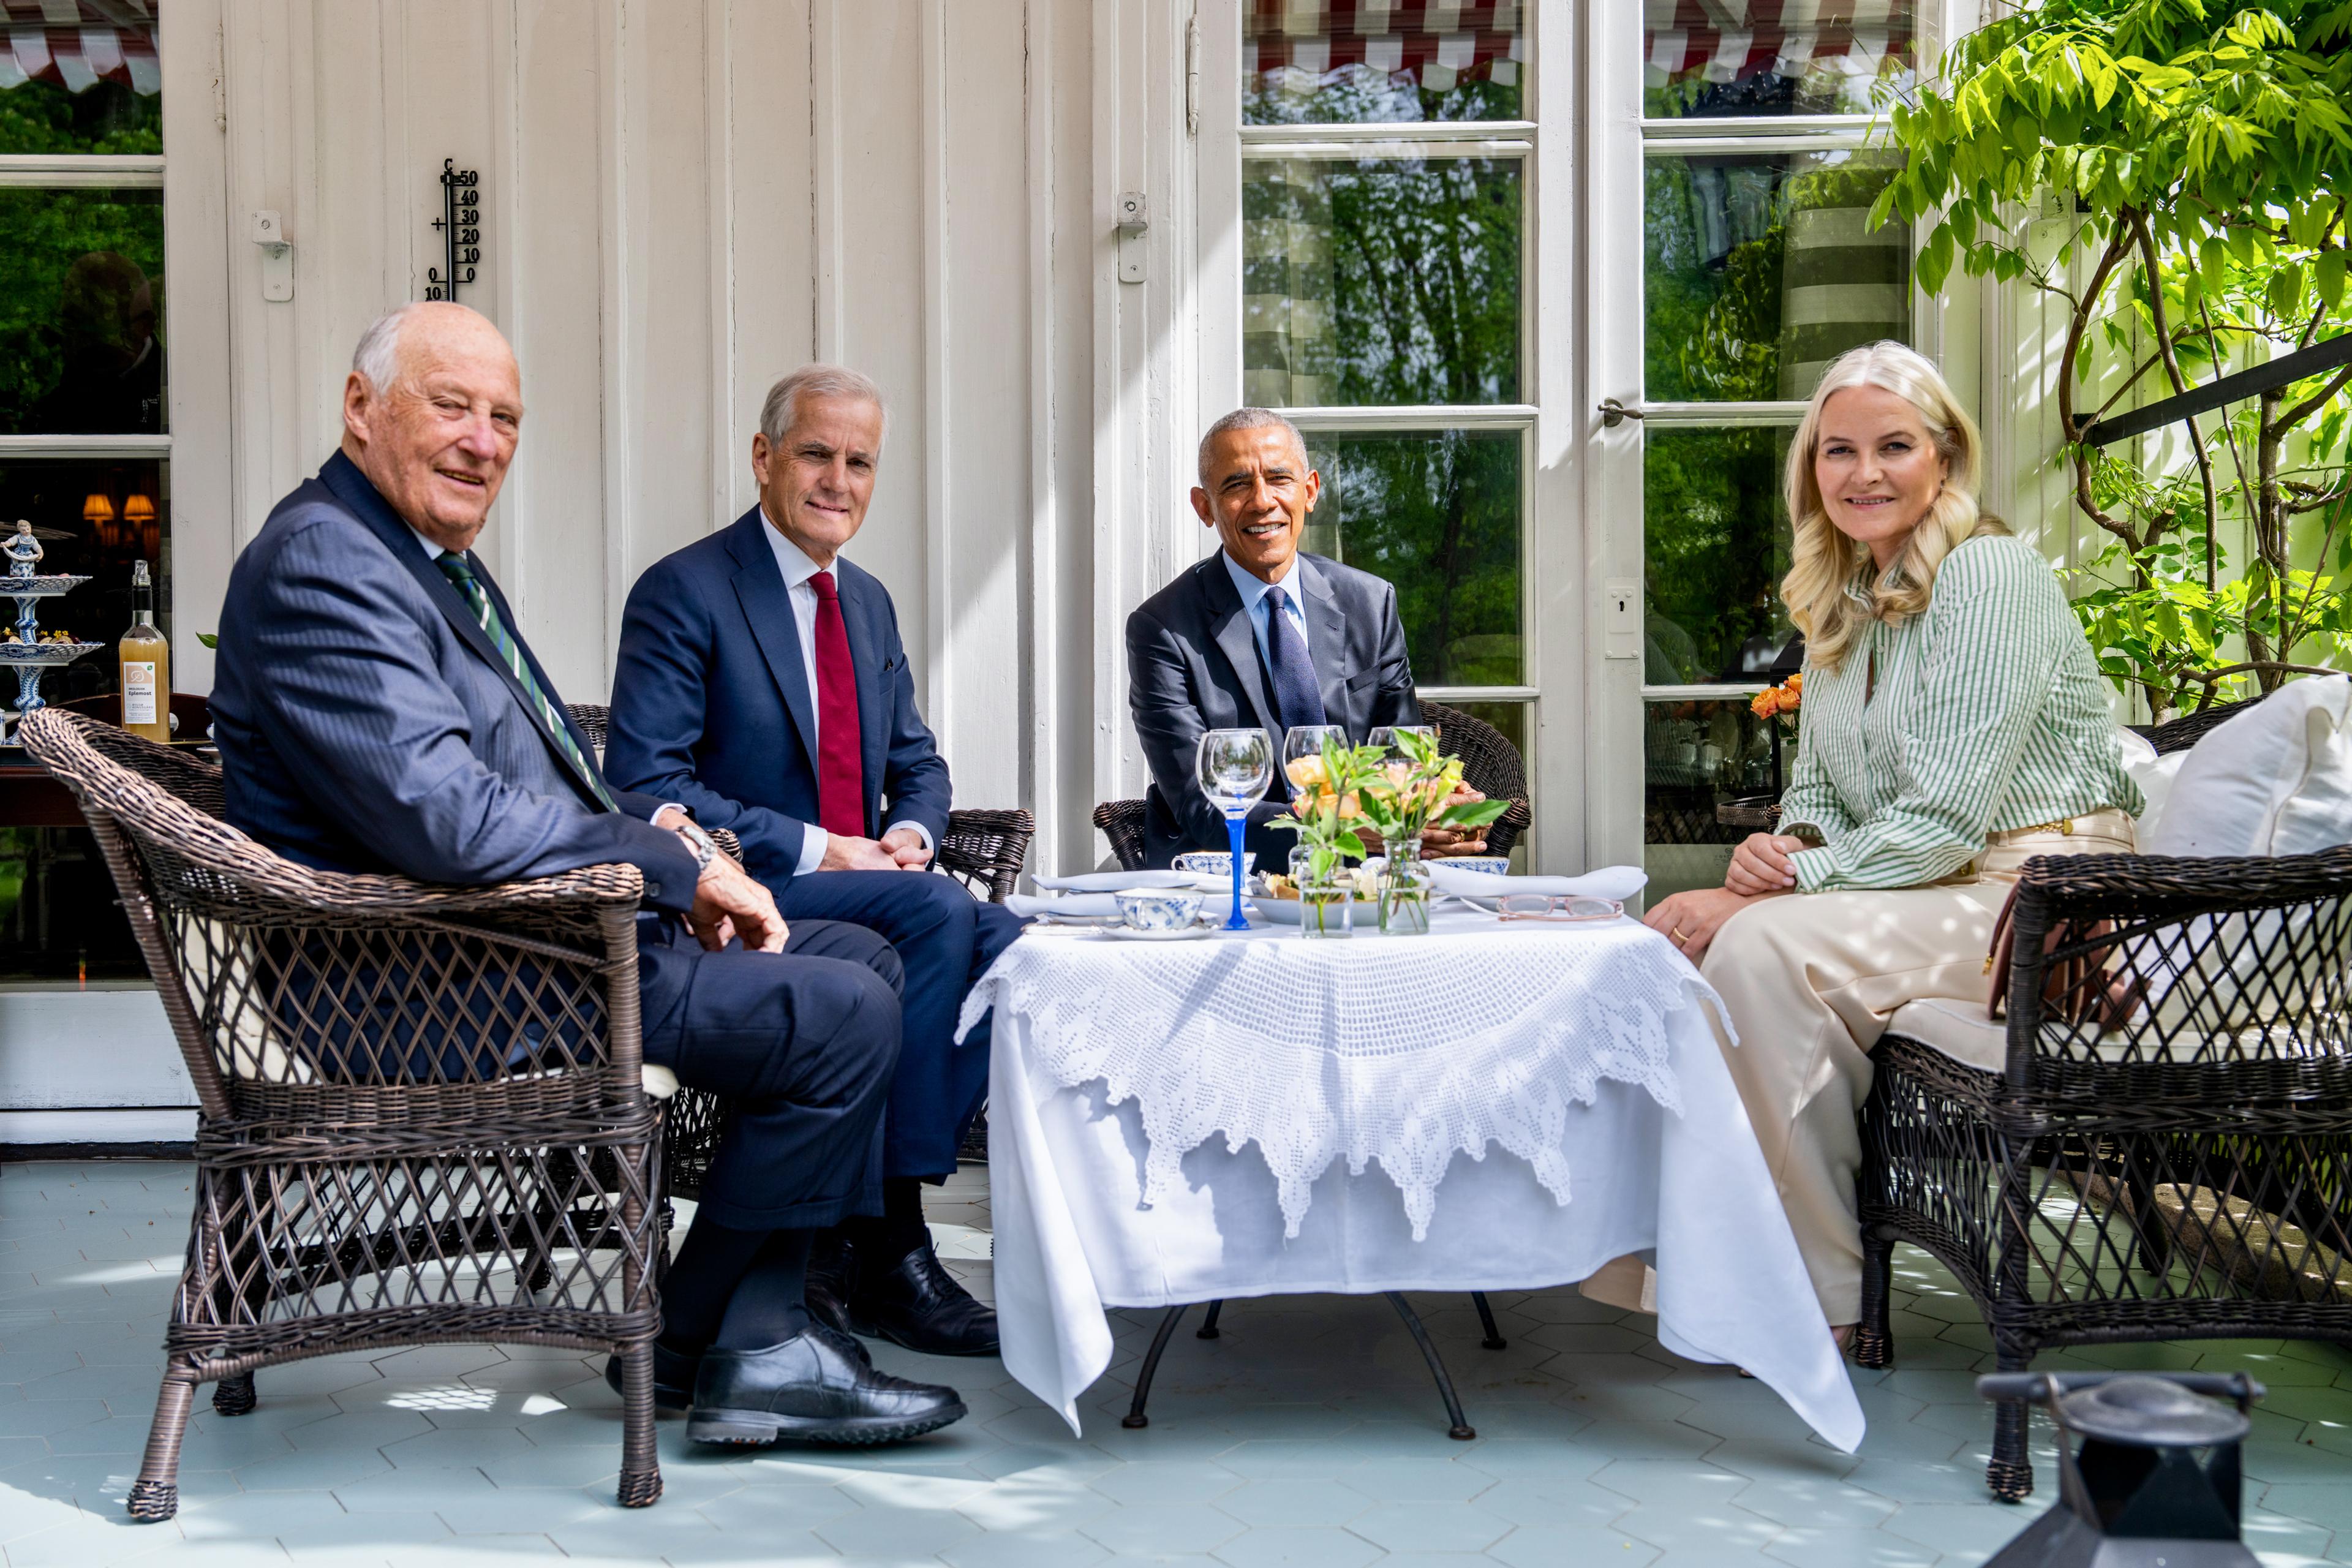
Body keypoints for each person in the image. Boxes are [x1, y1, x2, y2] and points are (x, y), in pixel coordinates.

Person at [209, 303, 967, 1447]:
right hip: (429, 980)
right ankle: (740, 1342)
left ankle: (719, 1333)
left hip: (511, 941)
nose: (484, 441)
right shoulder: (326, 559)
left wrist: (685, 861)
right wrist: (671, 862)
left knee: (862, 951)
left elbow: (538, 783)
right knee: (842, 1005)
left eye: (504, 417)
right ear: (362, 410)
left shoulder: (421, 565)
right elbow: (448, 817)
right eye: (451, 406)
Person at [1642, 341, 2143, 1341]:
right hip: (1934, 886)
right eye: (1838, 451)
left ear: (1945, 459)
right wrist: (1780, 853)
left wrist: (1763, 897)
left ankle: (1814, 1305)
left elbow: (1950, 817)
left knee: (1764, 948)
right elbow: (1820, 791)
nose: (1863, 473)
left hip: (2038, 897)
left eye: (1894, 447)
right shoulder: (1846, 605)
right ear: (1811, 471)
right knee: (1701, 948)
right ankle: (1726, 1271)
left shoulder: (1988, 575)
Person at [606, 364, 1019, 1359]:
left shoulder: (865, 603)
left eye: (860, 461)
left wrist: (913, 835)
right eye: (817, 454)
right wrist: (824, 846)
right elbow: (643, 781)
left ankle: (865, 1228)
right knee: (938, 920)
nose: (839, 479)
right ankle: (892, 1240)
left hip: (866, 880)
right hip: (751, 891)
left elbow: (915, 760)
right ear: (764, 458)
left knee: (1010, 938)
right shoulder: (687, 590)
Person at [1126, 407, 1485, 870]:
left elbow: (1404, 760)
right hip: (1227, 878)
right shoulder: (1161, 628)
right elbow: (1201, 806)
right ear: (1204, 507)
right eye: (1237, 485)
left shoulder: (1370, 603)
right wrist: (1339, 829)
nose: (1262, 501)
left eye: (1279, 478)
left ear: (1310, 490)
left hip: (1367, 872)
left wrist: (1441, 806)